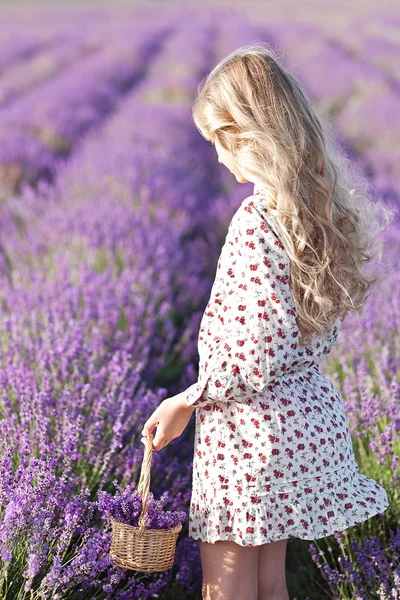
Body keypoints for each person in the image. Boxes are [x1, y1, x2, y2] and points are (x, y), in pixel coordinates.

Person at [141, 42, 392, 600]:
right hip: (299, 424)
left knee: (225, 589)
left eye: (218, 142)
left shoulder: (255, 220)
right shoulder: (313, 208)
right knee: (269, 584)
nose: (219, 159)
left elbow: (254, 352)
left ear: (246, 135)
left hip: (246, 436)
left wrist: (186, 400)